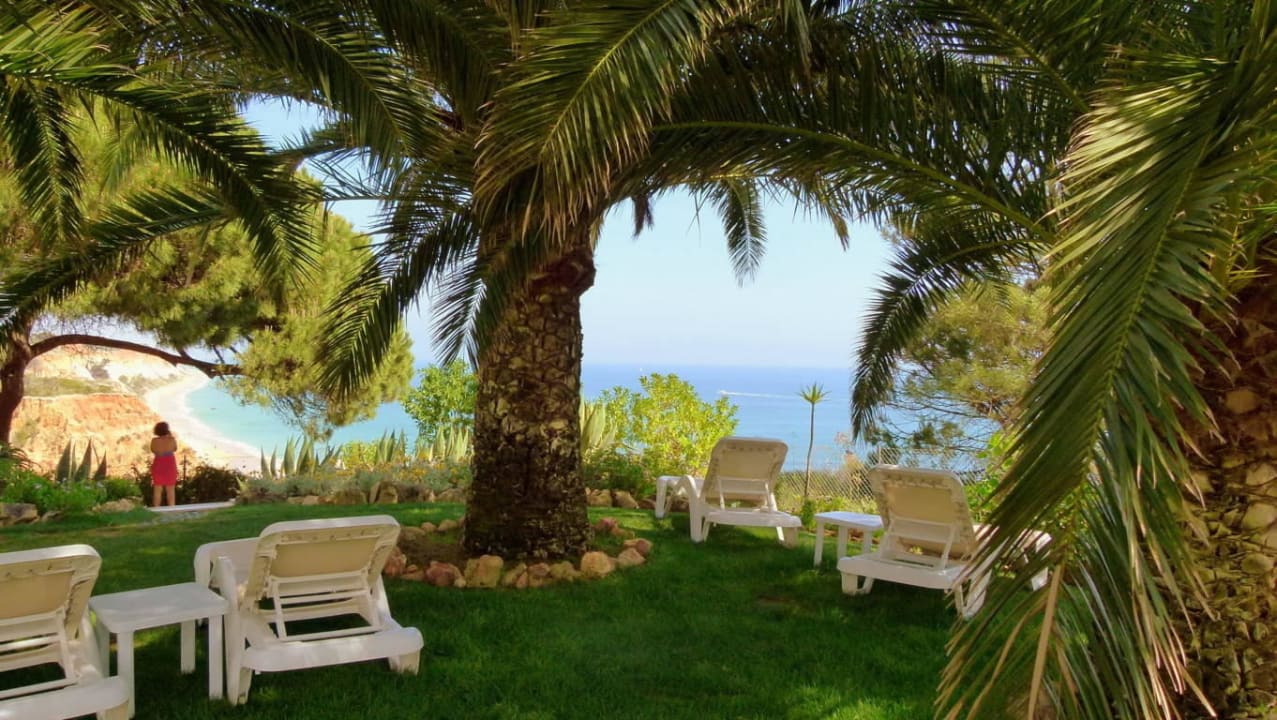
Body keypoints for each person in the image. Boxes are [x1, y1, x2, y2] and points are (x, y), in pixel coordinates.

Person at [150, 421, 179, 507]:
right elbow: (175, 448)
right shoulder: (171, 440)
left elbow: (153, 450)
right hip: (169, 465)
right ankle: (171, 510)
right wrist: (169, 436)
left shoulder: (154, 441)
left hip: (158, 464)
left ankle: (156, 509)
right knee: (170, 490)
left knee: (157, 489)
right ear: (167, 430)